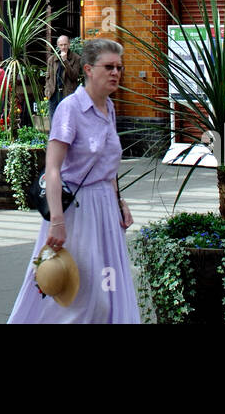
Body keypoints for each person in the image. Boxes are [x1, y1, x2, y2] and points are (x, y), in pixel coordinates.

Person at [8, 38, 137, 324]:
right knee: (79, 292)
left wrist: (120, 202)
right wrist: (57, 220)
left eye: (119, 67)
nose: (116, 73)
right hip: (77, 211)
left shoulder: (109, 108)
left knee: (109, 289)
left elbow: (106, 164)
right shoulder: (71, 108)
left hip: (106, 209)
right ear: (89, 69)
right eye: (109, 67)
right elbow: (52, 168)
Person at [44, 35, 82, 122]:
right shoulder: (52, 60)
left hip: (67, 94)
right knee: (53, 122)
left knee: (67, 121)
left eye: (65, 44)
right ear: (58, 46)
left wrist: (65, 61)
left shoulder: (76, 58)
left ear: (69, 44)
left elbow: (74, 76)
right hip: (54, 95)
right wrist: (47, 91)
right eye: (61, 45)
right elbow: (48, 77)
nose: (63, 47)